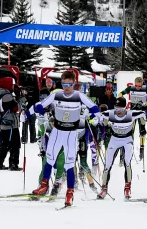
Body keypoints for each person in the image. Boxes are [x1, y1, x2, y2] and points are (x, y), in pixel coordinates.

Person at [30, 71, 99, 207]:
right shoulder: (56, 94)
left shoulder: (80, 96)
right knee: (50, 159)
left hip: (71, 133)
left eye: (69, 84)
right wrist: (29, 112)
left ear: (74, 84)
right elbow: (41, 105)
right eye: (64, 84)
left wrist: (94, 116)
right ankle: (44, 186)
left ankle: (69, 193)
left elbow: (94, 107)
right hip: (57, 131)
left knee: (69, 163)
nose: (66, 87)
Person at [97, 98, 145, 199]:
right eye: (116, 108)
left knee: (127, 163)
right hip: (114, 139)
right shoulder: (110, 113)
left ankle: (127, 188)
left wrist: (143, 128)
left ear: (125, 108)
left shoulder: (131, 114)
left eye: (121, 109)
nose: (118, 111)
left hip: (127, 140)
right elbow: (100, 116)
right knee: (107, 164)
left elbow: (143, 113)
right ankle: (104, 189)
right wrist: (103, 127)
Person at [0, 77, 21, 171]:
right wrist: (20, 97)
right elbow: (16, 108)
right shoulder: (6, 95)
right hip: (11, 123)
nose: (13, 86)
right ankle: (13, 164)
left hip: (4, 123)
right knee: (15, 145)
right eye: (12, 85)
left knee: (4, 144)